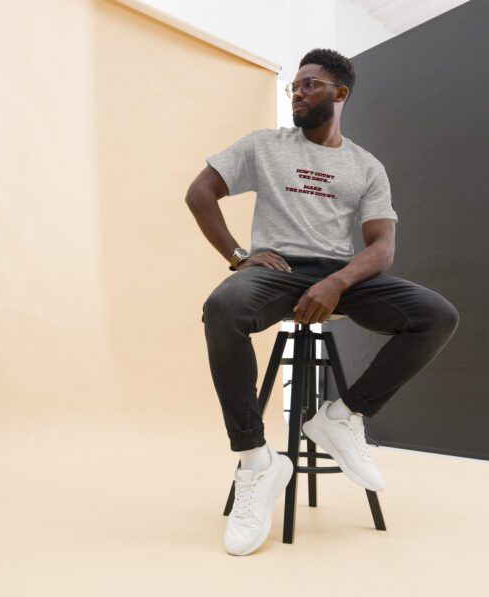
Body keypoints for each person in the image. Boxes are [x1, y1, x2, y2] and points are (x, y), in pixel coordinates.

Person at [185, 48, 460, 556]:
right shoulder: (265, 146)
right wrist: (240, 256)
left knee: (436, 316)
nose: (297, 91)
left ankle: (341, 416)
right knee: (222, 309)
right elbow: (199, 192)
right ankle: (256, 462)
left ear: (340, 93)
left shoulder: (365, 166)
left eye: (309, 84)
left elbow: (382, 247)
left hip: (341, 274)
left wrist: (337, 283)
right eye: (294, 85)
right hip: (277, 270)